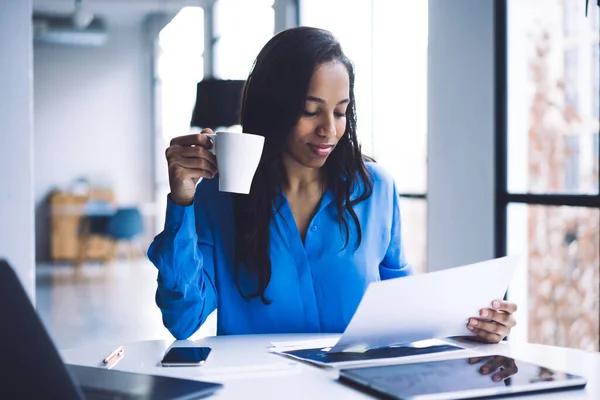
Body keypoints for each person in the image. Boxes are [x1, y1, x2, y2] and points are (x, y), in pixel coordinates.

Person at [148, 26, 517, 342]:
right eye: (311, 111)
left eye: (340, 111)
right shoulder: (219, 197)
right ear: (273, 107)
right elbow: (183, 320)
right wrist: (182, 201)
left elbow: (404, 309)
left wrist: (473, 324)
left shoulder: (376, 190)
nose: (329, 130)